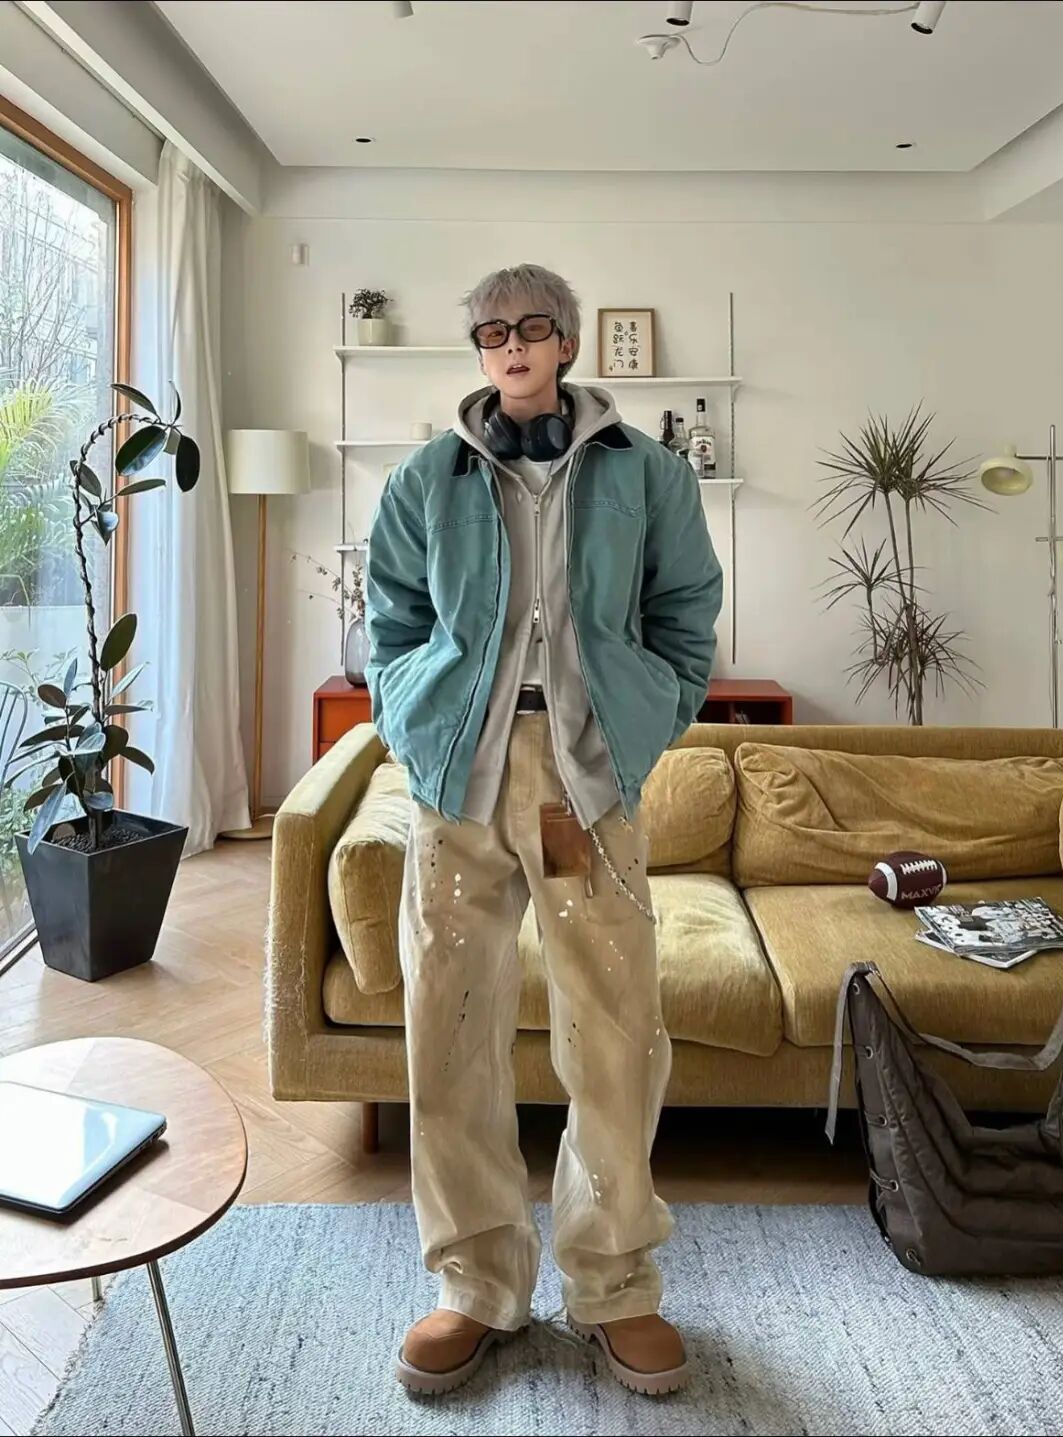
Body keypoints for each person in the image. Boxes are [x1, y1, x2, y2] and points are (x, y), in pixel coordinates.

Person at [363, 264, 724, 1397]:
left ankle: (613, 1282)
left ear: (566, 342)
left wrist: (642, 724)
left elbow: (686, 614)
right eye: (491, 332)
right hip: (459, 784)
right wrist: (412, 715)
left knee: (613, 1026)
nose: (510, 345)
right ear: (478, 350)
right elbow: (391, 620)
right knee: (449, 1024)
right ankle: (475, 1283)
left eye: (530, 328)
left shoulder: (649, 475)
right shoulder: (427, 478)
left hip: (579, 784)